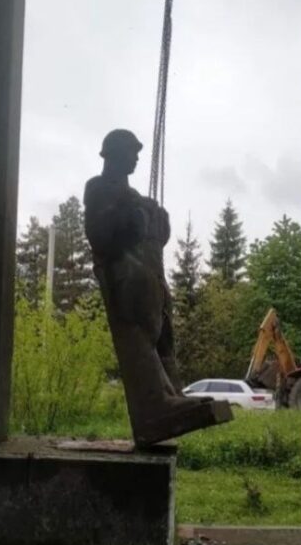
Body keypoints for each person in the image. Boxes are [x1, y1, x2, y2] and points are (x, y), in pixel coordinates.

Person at [84, 129, 230, 447]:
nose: (137, 157)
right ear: (114, 155)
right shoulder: (97, 189)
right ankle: (155, 402)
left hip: (147, 276)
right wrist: (132, 220)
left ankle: (172, 393)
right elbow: (99, 235)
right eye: (132, 152)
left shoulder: (135, 197)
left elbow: (150, 236)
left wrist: (156, 223)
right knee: (140, 324)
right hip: (124, 279)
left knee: (163, 325)